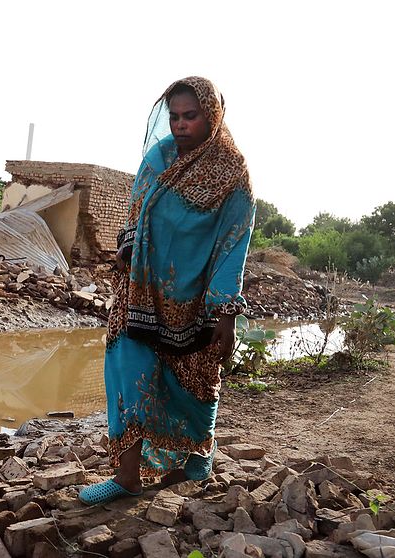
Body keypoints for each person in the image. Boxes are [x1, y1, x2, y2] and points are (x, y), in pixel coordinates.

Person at [79, 76, 255, 504]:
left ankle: (198, 455)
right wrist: (127, 247)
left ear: (211, 116)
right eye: (174, 116)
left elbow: (234, 245)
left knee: (194, 380)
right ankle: (127, 476)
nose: (179, 125)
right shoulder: (158, 159)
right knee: (128, 370)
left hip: (195, 299)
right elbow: (136, 214)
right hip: (139, 292)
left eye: (190, 116)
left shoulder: (232, 175)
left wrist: (226, 312)